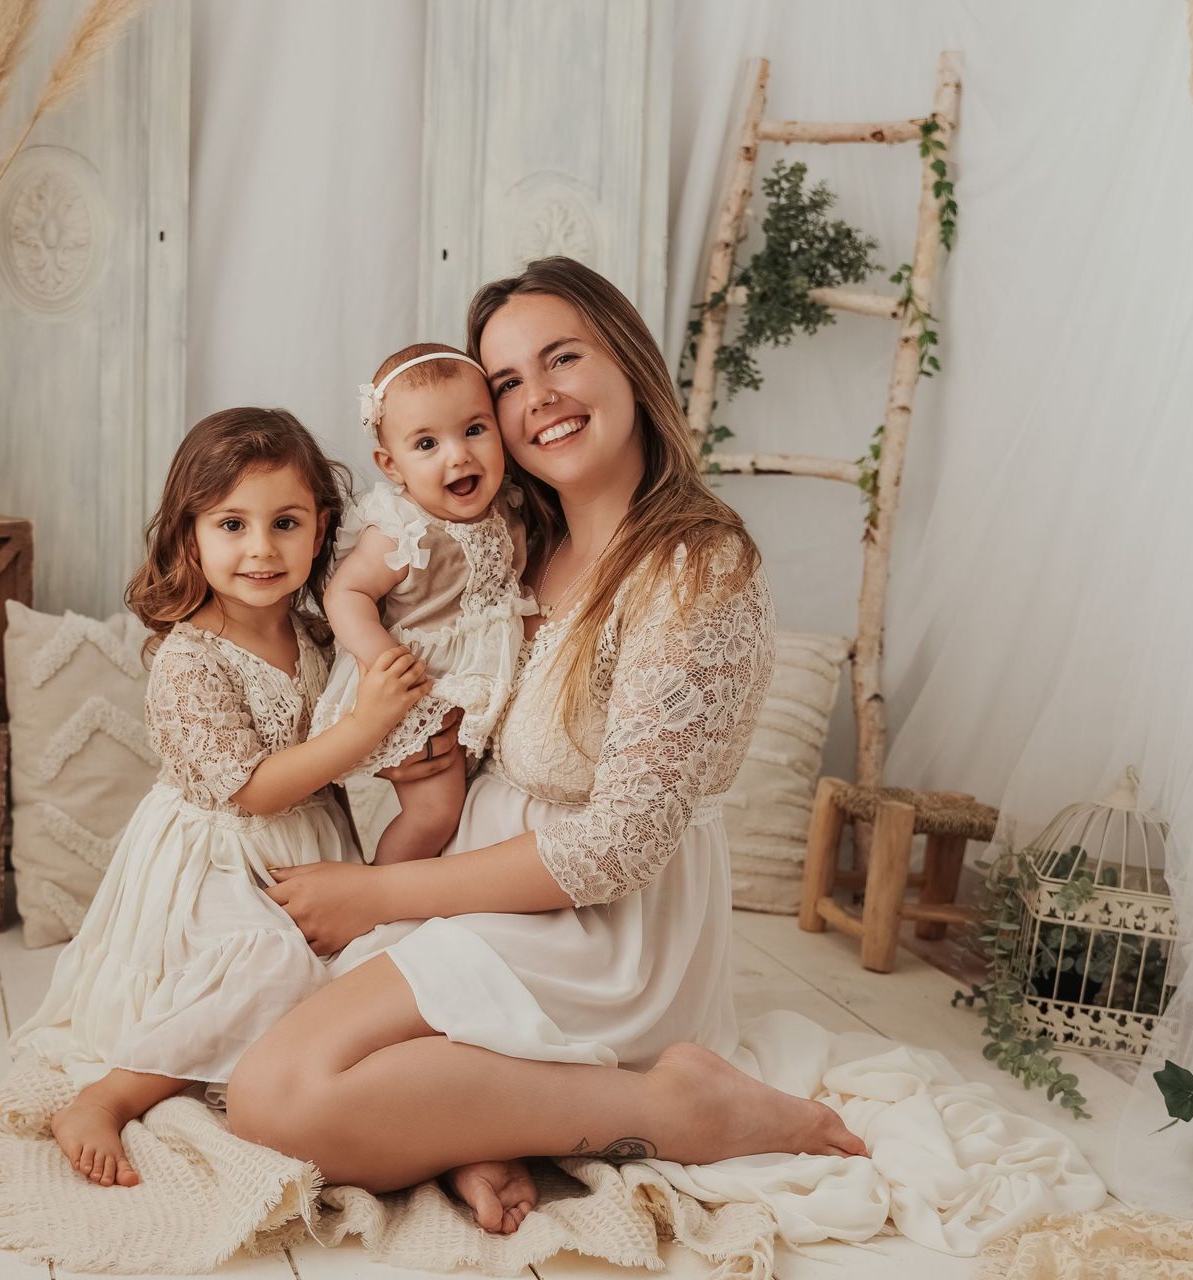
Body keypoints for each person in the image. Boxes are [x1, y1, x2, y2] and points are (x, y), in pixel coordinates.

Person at [226, 257, 866, 1236]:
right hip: (482, 876)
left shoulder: (695, 569)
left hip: (603, 926)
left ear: (629, 363)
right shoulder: (513, 537)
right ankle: (494, 1131)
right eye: (510, 383)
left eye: (562, 357)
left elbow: (619, 848)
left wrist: (377, 893)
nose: (540, 398)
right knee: (265, 1056)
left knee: (279, 1096)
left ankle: (674, 1108)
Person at [12, 407, 432, 1187]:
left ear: (321, 529)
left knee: (382, 964)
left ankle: (432, 1130)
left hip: (309, 847)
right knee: (268, 965)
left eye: (285, 522)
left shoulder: (316, 631)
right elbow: (255, 789)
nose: (261, 549)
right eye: (232, 524)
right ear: (189, 537)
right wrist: (368, 722)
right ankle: (111, 1095)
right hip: (217, 858)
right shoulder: (190, 659)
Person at [310, 342, 532, 865]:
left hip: (479, 678)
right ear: (392, 465)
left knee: (475, 807)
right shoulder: (403, 529)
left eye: (475, 430)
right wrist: (381, 660)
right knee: (434, 813)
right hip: (422, 686)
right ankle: (375, 896)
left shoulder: (508, 506)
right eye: (427, 443)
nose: (458, 455)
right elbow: (346, 592)